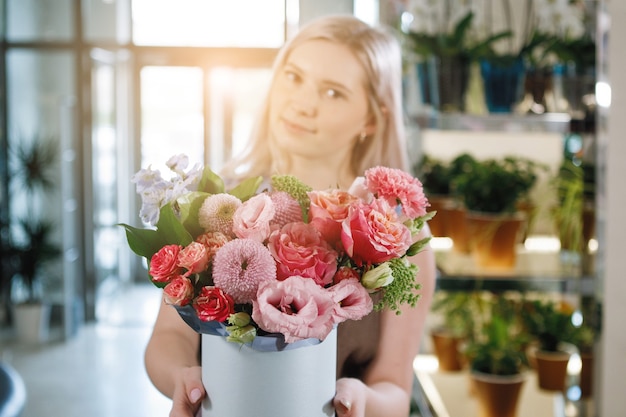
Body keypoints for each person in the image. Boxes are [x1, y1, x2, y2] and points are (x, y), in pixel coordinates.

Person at [144, 14, 437, 417]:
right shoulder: (214, 205)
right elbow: (166, 342)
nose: (302, 103)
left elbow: (394, 387)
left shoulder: (398, 241)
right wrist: (181, 376)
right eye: (293, 77)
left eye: (333, 93)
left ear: (372, 118)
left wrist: (363, 400)